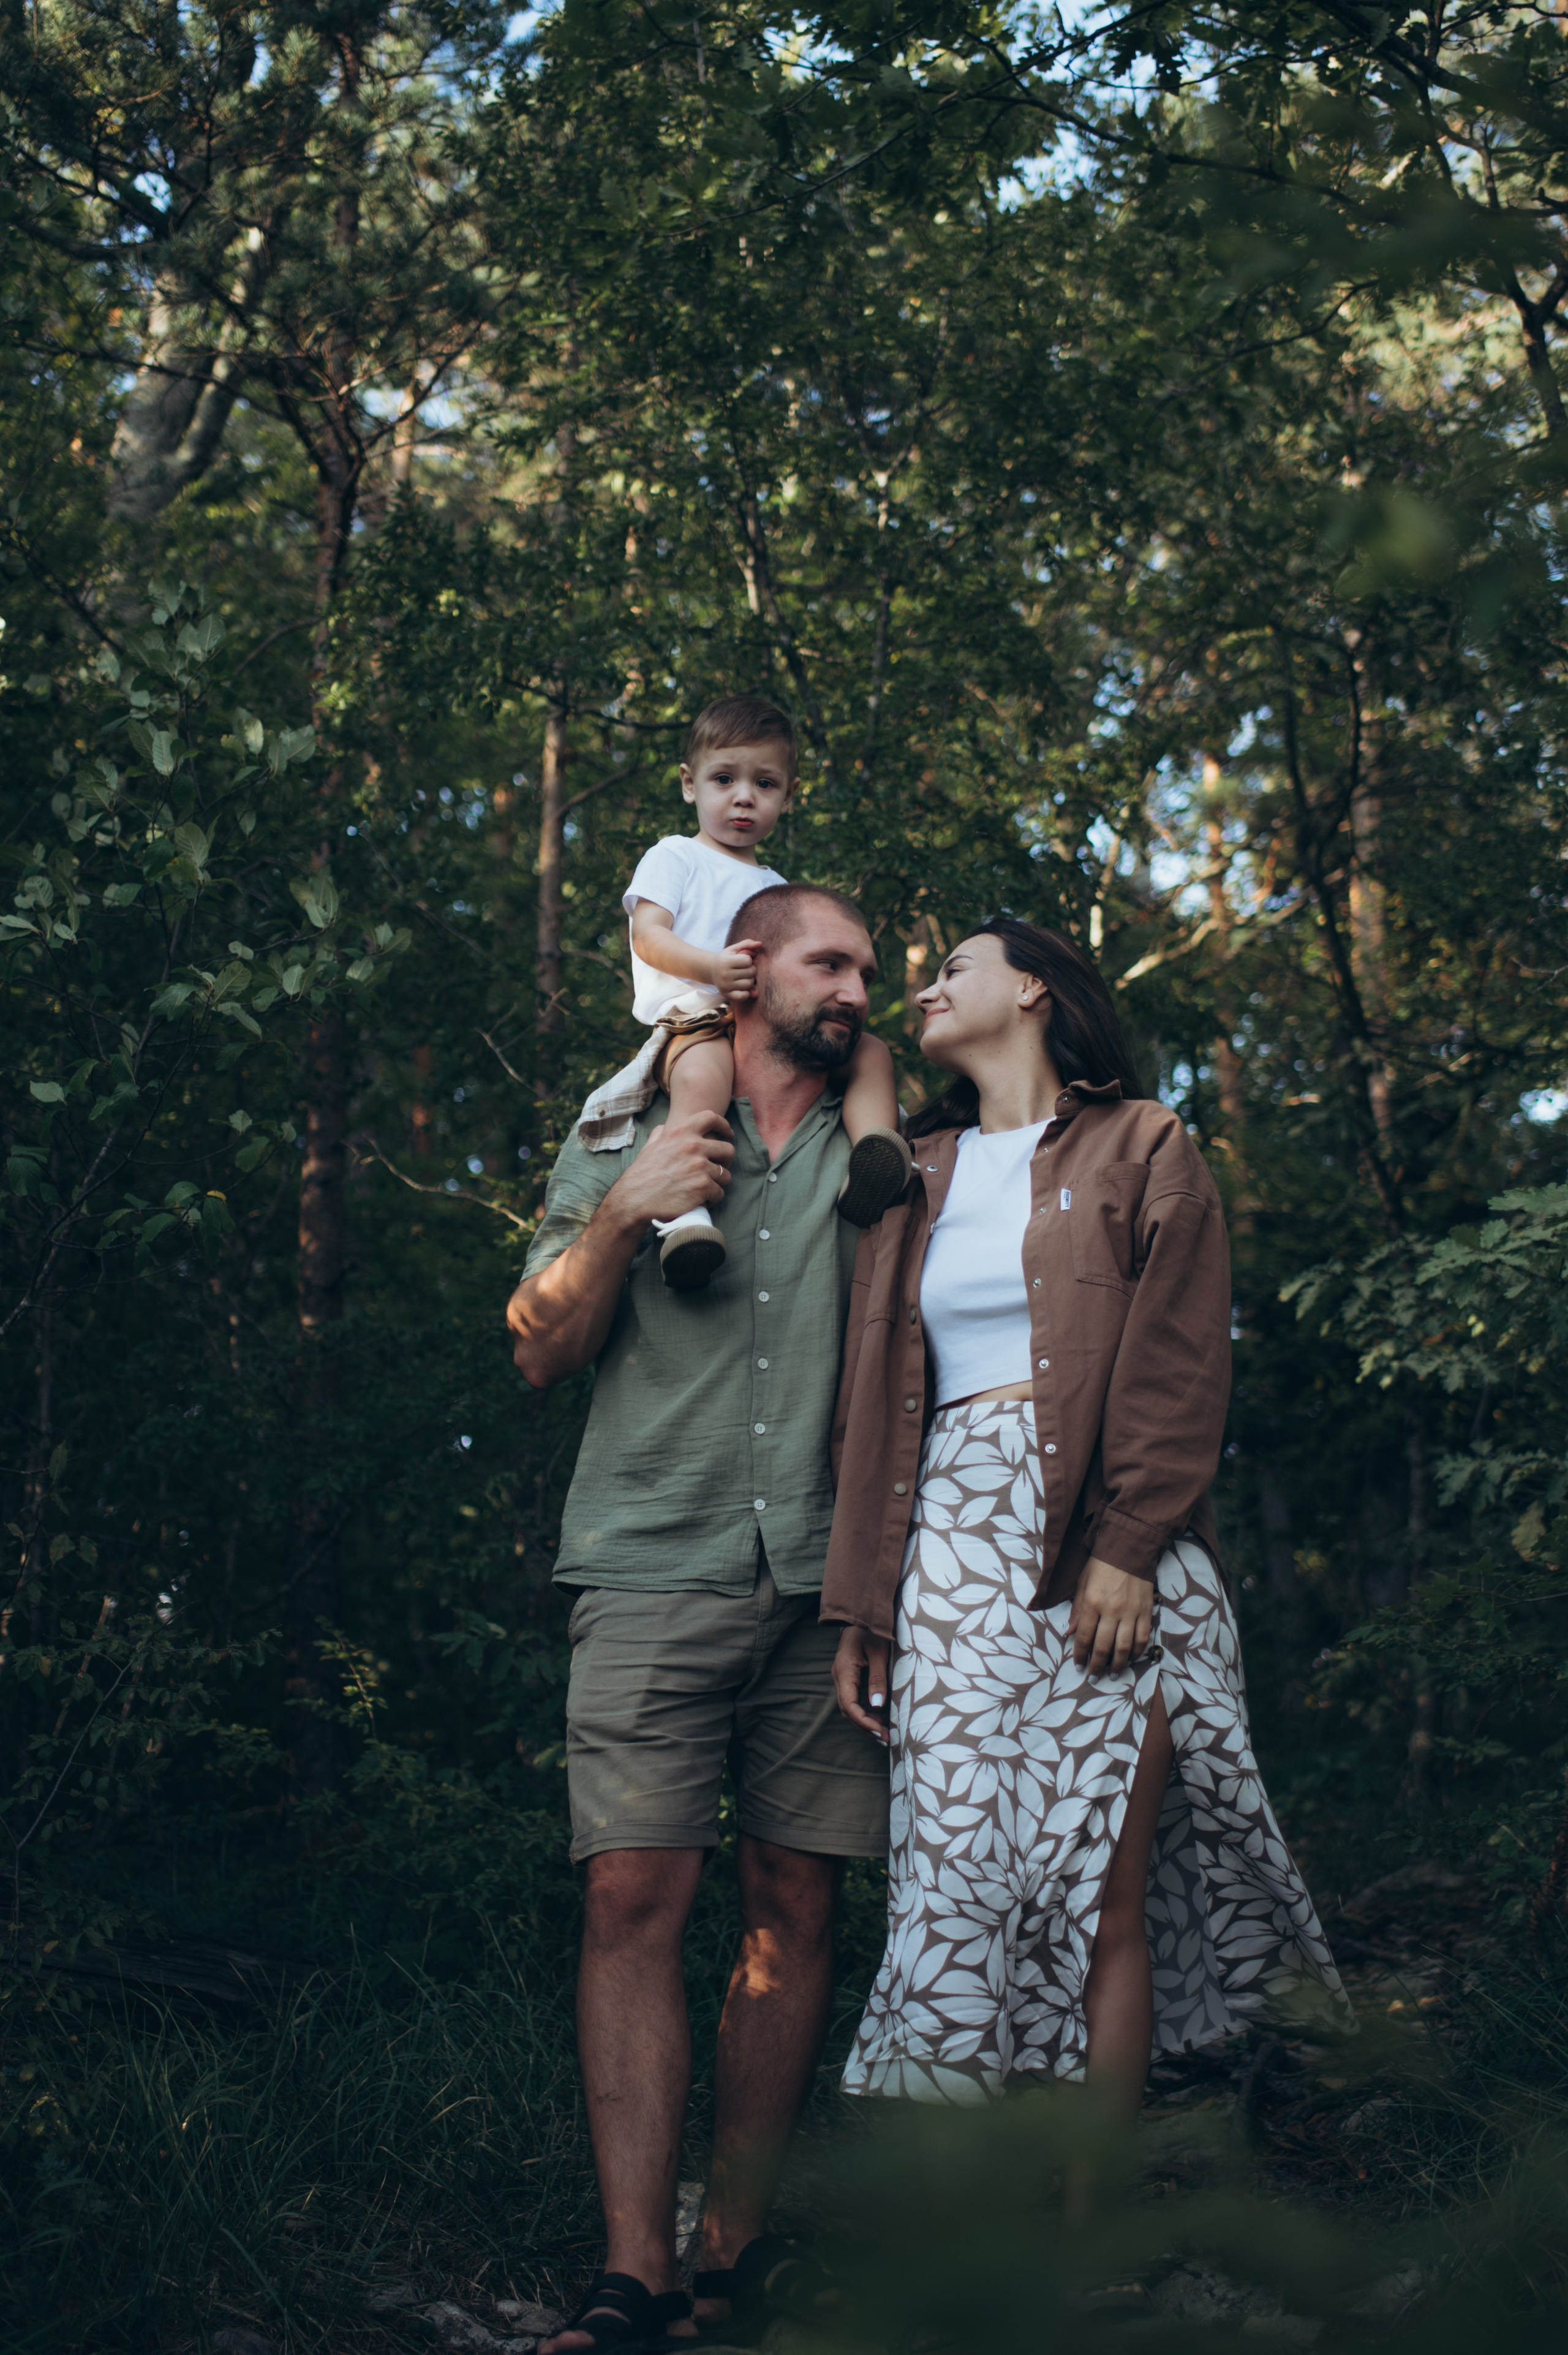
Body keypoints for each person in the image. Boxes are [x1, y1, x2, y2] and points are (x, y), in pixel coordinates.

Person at [822, 918, 1349, 2109]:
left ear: (1031, 990)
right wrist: (861, 1604)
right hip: (947, 1550)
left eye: (951, 966)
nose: (925, 986)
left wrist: (1125, 1547)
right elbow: (870, 1401)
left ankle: (1089, 2236)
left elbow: (1173, 1361)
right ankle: (974, 2236)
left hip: (1107, 1551)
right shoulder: (916, 1172)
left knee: (1093, 1882)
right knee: (953, 1883)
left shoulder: (1142, 1143)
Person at [507, 885, 893, 2355]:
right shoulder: (621, 1130)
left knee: (794, 1909)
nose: (857, 985)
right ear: (748, 972)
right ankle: (632, 2274)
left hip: (827, 1589)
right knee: (630, 1905)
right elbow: (538, 1348)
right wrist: (622, 1207)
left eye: (866, 966)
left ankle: (727, 2256)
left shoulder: (887, 1161)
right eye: (830, 960)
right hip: (647, 1566)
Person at [577, 696, 910, 1290]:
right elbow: (649, 937)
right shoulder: (674, 855)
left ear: (788, 796)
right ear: (689, 784)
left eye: (764, 783)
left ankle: (873, 1159)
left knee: (871, 1053)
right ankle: (682, 1216)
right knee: (704, 1079)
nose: (743, 797)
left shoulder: (775, 887)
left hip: (767, 1023)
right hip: (696, 1014)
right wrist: (711, 967)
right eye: (724, 779)